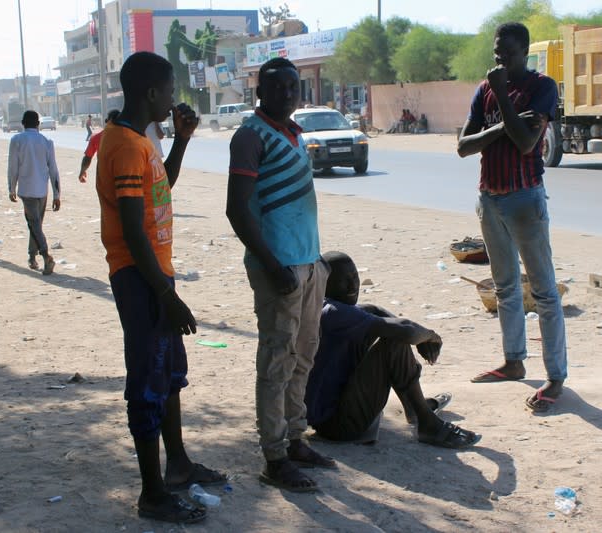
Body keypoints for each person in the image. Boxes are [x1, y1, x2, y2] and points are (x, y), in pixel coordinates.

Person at [95, 51, 223, 525]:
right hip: (140, 277)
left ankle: (179, 467)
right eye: (169, 91)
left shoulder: (137, 139)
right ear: (151, 93)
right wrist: (167, 296)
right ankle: (152, 492)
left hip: (154, 274)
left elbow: (160, 188)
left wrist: (183, 141)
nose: (174, 100)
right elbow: (132, 230)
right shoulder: (126, 146)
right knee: (148, 383)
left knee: (168, 376)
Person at [227, 57, 333, 493]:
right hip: (280, 269)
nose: (288, 94)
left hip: (308, 264)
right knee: (276, 361)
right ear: (260, 93)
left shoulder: (293, 133)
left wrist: (318, 263)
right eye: (279, 88)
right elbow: (236, 210)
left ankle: (294, 437)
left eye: (294, 87)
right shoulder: (250, 137)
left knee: (303, 355)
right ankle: (274, 457)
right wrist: (273, 266)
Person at [457, 22, 566, 413]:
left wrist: (502, 96)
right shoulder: (482, 91)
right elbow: (463, 147)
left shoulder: (542, 87)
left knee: (543, 293)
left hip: (525, 199)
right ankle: (514, 361)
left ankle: (555, 377)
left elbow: (525, 143)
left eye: (508, 53)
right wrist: (504, 124)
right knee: (504, 288)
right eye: (496, 52)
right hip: (490, 200)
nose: (500, 59)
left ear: (524, 54)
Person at [305, 251, 482, 448]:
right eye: (342, 281)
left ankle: (415, 407)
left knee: (393, 334)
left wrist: (415, 335)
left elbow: (373, 309)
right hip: (337, 426)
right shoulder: (333, 313)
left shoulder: (324, 307)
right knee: (395, 342)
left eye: (354, 277)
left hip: (331, 417)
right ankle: (427, 422)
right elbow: (404, 330)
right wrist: (431, 336)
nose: (352, 285)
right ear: (323, 285)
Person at [7, 110, 60, 275]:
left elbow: (12, 167)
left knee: (34, 224)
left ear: (23, 123)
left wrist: (11, 188)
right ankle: (32, 256)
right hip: (42, 190)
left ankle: (45, 256)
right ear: (38, 124)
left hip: (27, 189)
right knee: (36, 225)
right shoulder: (46, 141)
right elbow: (54, 170)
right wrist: (57, 194)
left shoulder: (17, 140)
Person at [78, 109, 120, 183]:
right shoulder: (127, 137)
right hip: (123, 177)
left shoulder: (96, 137)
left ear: (107, 122)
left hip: (104, 178)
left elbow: (88, 157)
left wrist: (82, 171)